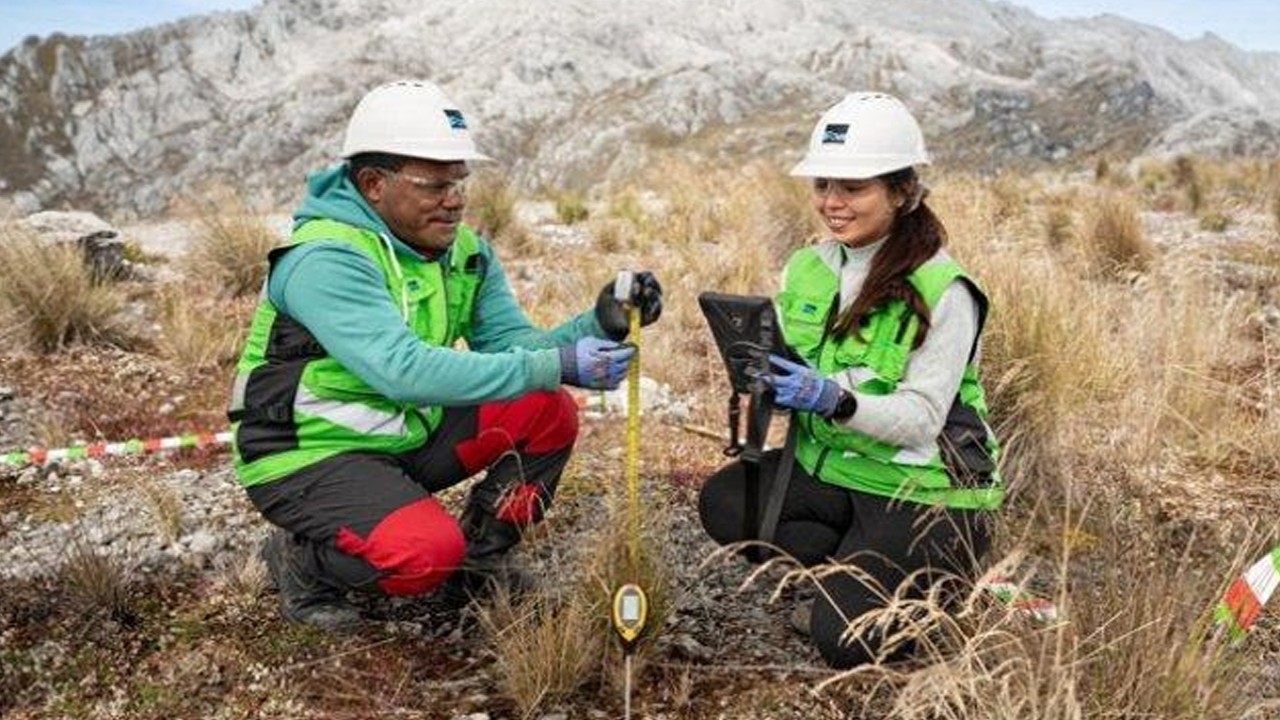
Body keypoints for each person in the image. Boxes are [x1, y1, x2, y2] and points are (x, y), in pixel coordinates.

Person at [228, 79, 663, 632]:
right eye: (434, 184)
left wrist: (598, 322)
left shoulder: (464, 252)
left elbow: (515, 347)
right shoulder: (325, 258)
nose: (455, 198)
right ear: (373, 184)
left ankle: (482, 563)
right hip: (306, 454)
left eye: (460, 181)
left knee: (547, 408)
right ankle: (302, 561)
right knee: (425, 554)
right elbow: (403, 371)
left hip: (402, 433)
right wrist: (559, 363)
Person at [697, 92, 1003, 669]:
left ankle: (932, 583)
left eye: (853, 188)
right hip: (838, 469)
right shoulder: (808, 268)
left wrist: (831, 398)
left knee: (845, 642)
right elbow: (791, 363)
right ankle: (864, 571)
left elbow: (919, 420)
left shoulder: (946, 290)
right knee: (727, 501)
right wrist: (760, 386)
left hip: (926, 493)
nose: (832, 203)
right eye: (822, 185)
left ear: (902, 192)